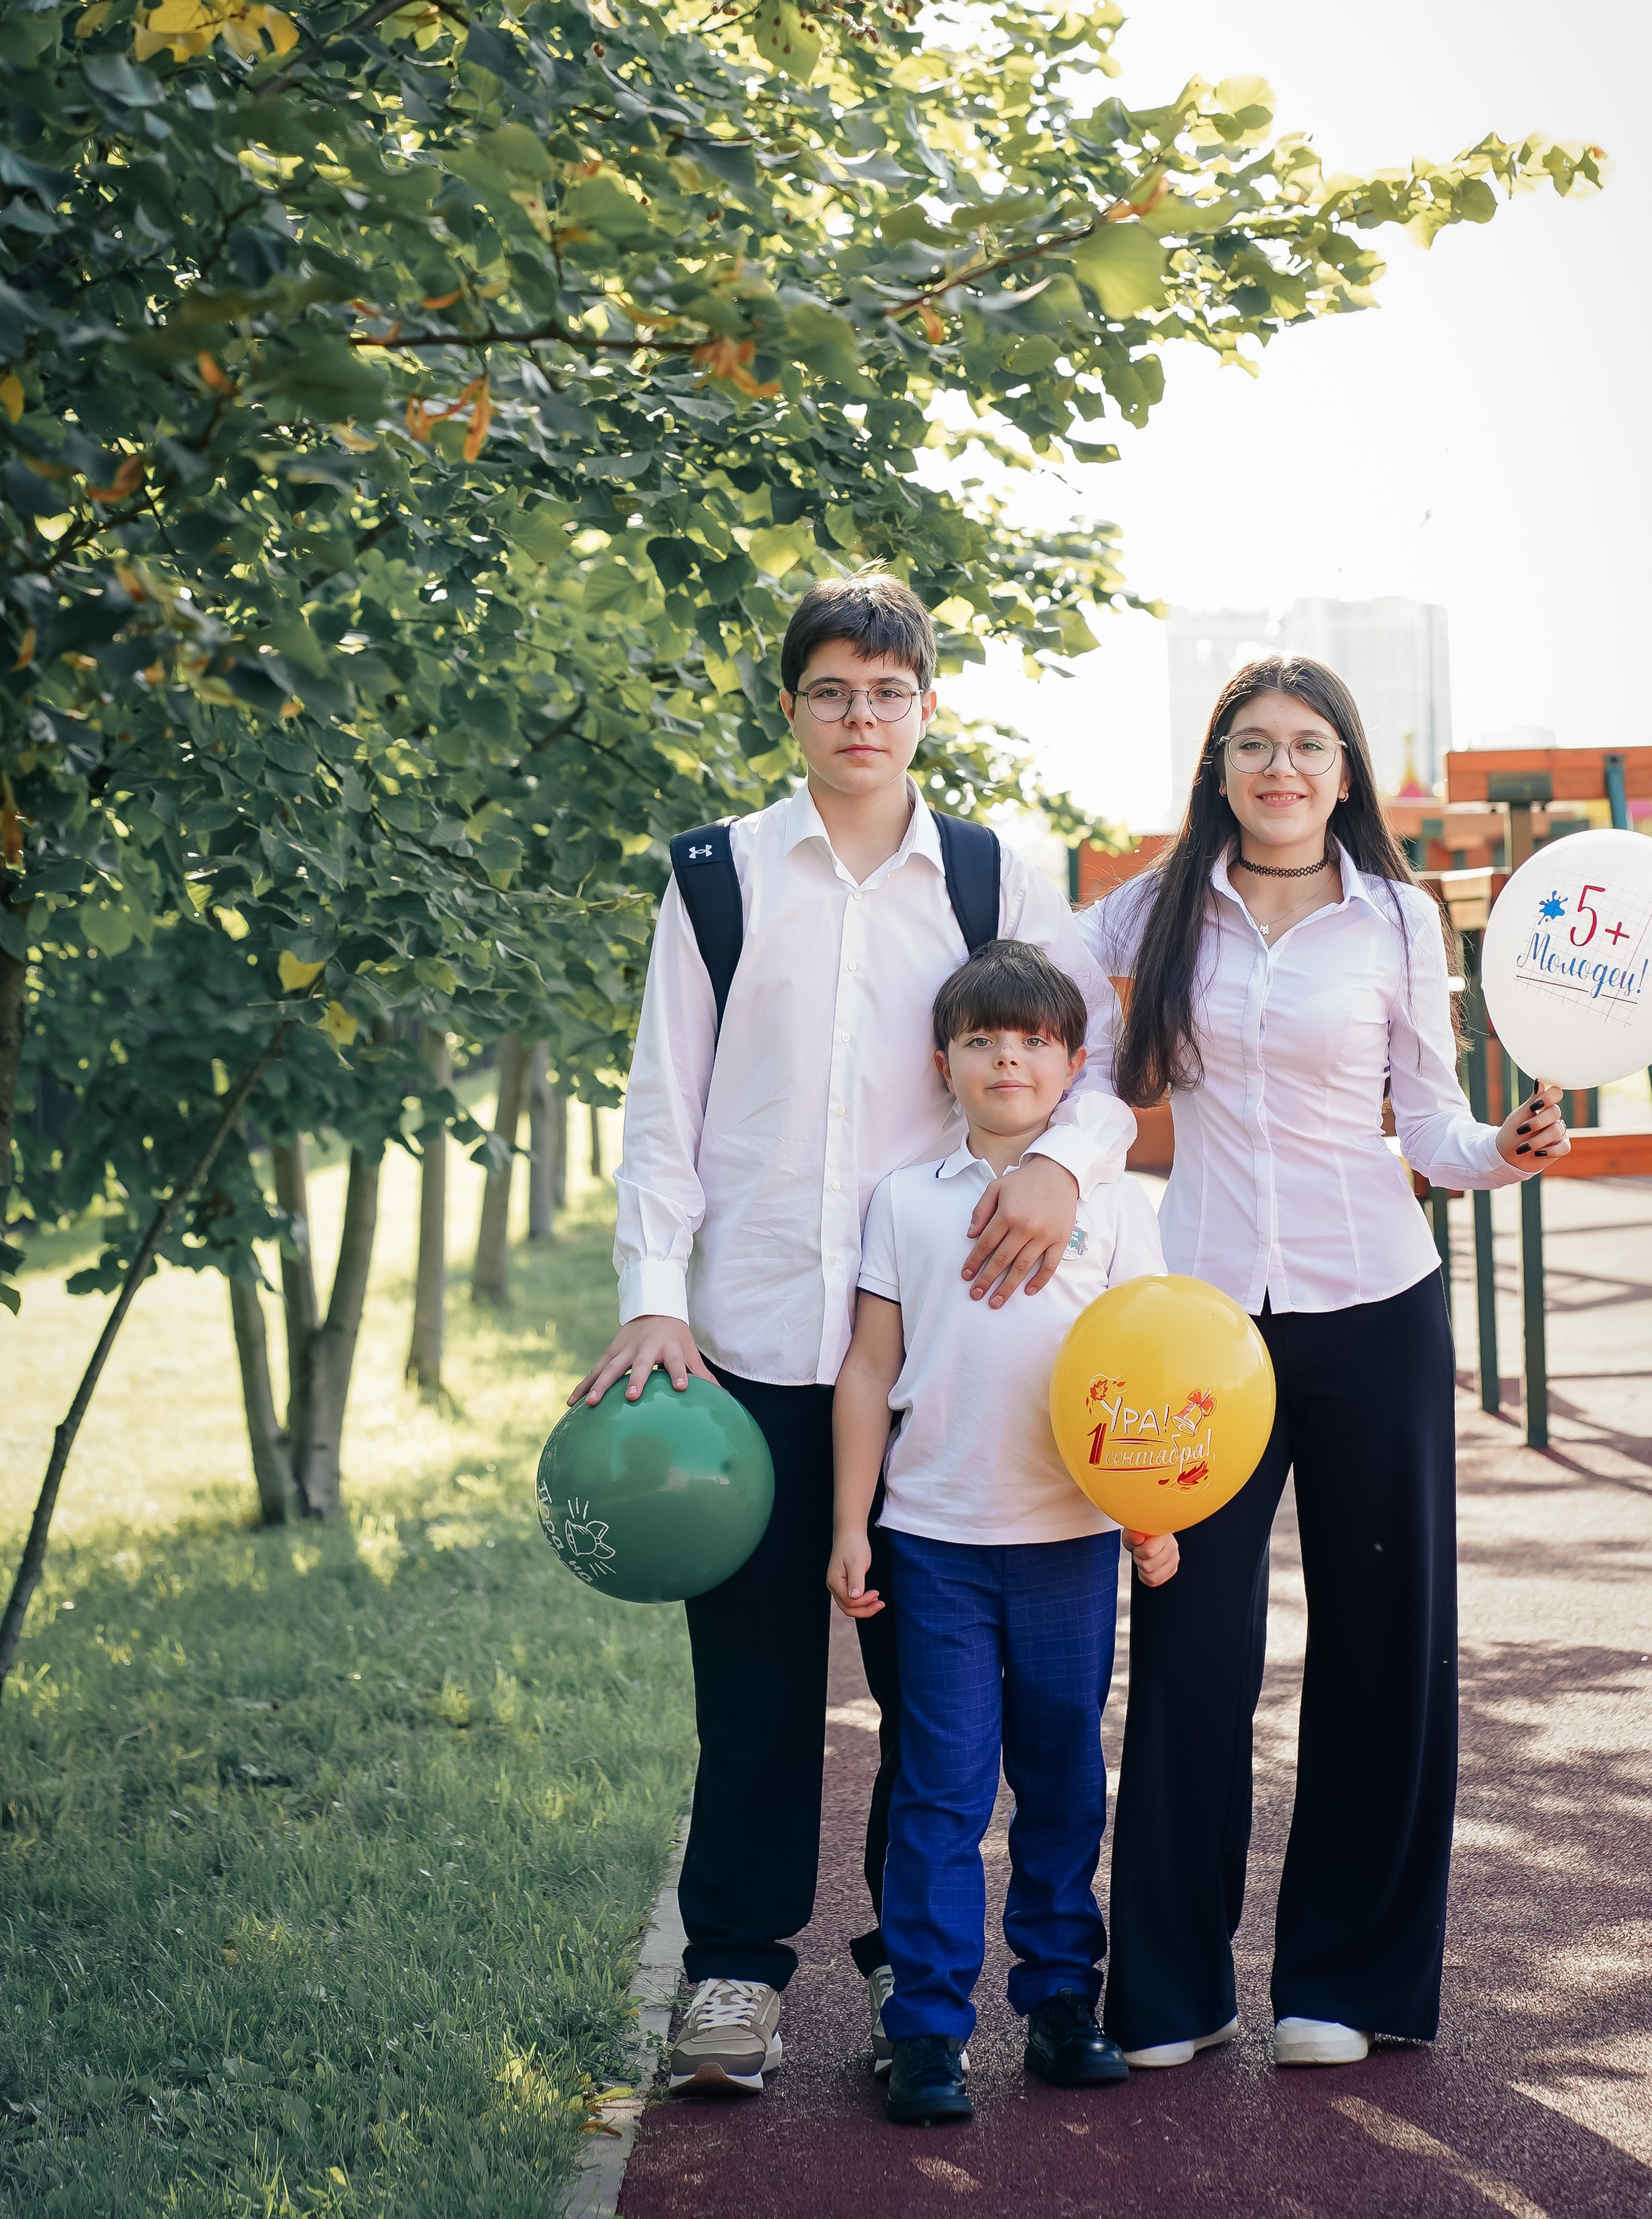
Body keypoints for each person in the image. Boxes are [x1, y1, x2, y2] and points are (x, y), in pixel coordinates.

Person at [568, 575, 1135, 2098]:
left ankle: (912, 1967)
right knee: (752, 1698)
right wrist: (651, 1295)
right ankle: (736, 1974)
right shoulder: (716, 877)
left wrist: (1054, 1165)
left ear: (927, 707)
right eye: (831, 691)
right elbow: (660, 1109)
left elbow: (1099, 1069)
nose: (860, 718)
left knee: (930, 1708)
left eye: (888, 692)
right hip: (747, 1350)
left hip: (934, 1357)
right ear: (790, 709)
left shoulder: (990, 871)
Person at [1080, 655, 1569, 2073]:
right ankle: (1168, 1990)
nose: (1278, 768)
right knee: (1186, 1647)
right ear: (1217, 770)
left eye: (1305, 746)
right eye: (1250, 746)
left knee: (1381, 1647)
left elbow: (1428, 1125)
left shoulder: (1398, 920)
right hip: (1199, 1330)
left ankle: (1342, 1984)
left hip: (1374, 1300)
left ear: (1343, 773)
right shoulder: (1154, 906)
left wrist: (1503, 1151)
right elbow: (1029, 988)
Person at [829, 940, 1177, 2127]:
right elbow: (870, 1371)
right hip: (930, 1543)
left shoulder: (1115, 1208)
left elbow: (1153, 1370)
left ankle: (1060, 2001)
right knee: (940, 1787)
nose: (1008, 1058)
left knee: (1066, 1774)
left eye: (1033, 1040)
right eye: (983, 1040)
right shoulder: (904, 1204)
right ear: (946, 1064)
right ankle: (926, 2026)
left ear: (1073, 1064)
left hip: (1070, 1545)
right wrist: (852, 1526)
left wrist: (1152, 1513)